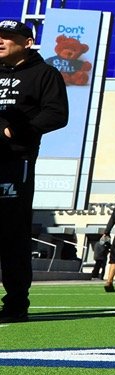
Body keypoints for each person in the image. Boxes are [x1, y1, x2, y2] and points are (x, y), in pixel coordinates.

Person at [0, 18, 69, 321]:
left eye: (7, 37)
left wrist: (19, 130)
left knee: (12, 234)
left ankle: (16, 303)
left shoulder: (44, 74)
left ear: (27, 42)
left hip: (16, 162)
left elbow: (57, 114)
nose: (0, 41)